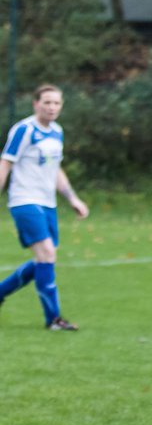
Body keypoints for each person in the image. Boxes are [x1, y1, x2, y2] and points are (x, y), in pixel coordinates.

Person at [0, 84, 89, 330]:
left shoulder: (57, 132)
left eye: (56, 103)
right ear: (35, 104)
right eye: (46, 102)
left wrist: (72, 198)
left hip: (47, 202)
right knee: (47, 254)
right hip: (24, 200)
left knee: (45, 259)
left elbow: (55, 169)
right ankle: (54, 319)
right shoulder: (24, 130)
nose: (51, 107)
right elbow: (5, 164)